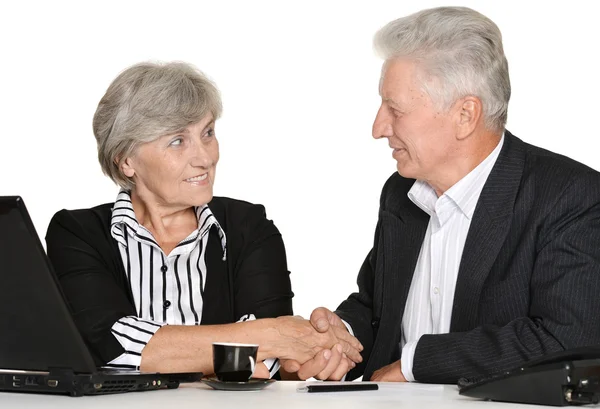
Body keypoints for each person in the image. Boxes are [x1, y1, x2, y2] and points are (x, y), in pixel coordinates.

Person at [282, 6, 600, 383]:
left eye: (395, 109)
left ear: (465, 115)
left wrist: (414, 365)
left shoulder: (570, 196)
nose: (378, 127)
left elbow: (566, 339)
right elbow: (377, 309)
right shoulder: (400, 192)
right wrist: (336, 340)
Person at [45, 61, 362, 379]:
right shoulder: (76, 233)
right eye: (178, 141)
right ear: (126, 160)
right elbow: (111, 345)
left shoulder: (250, 227)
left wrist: (282, 347)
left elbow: (269, 365)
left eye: (207, 132)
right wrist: (270, 337)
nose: (206, 157)